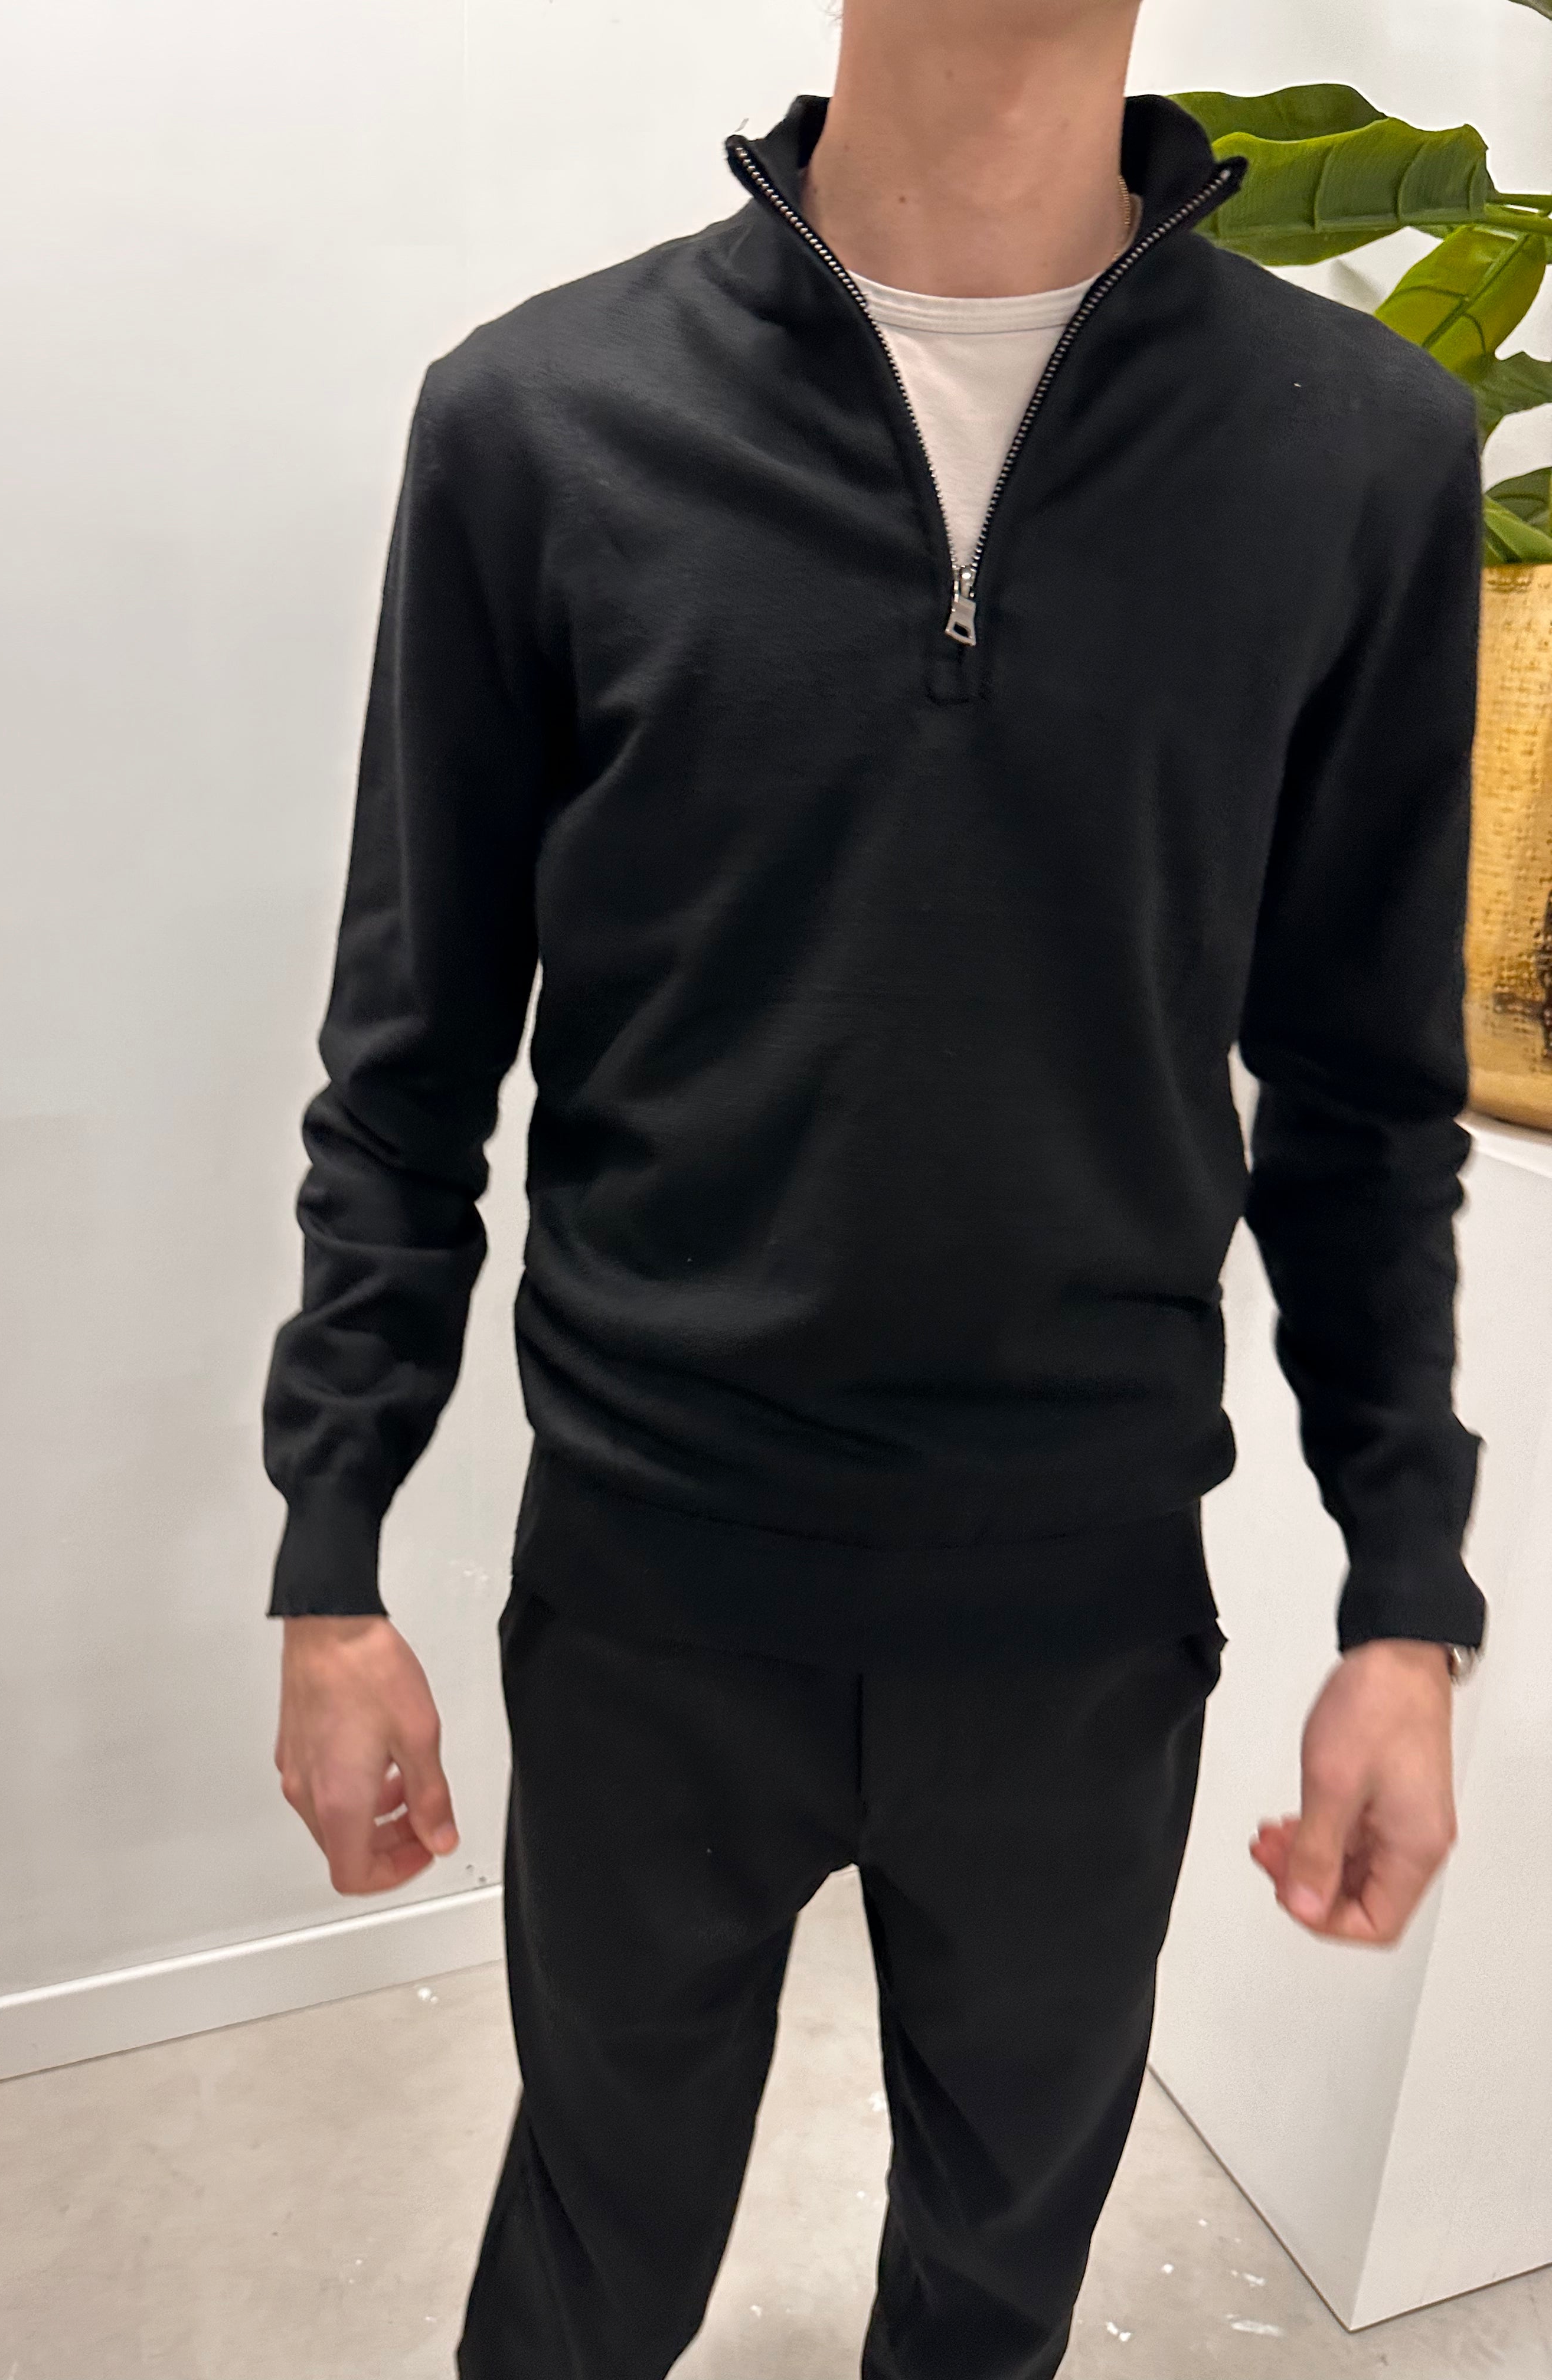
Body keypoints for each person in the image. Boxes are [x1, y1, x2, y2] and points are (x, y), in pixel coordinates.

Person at [262, 2, 1488, 2372]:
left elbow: (1360, 1101)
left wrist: (1402, 1607)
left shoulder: (1354, 451)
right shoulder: (541, 422)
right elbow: (408, 1062)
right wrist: (334, 1557)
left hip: (1079, 1619)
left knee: (994, 2295)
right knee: (589, 2265)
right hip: (649, 1592)